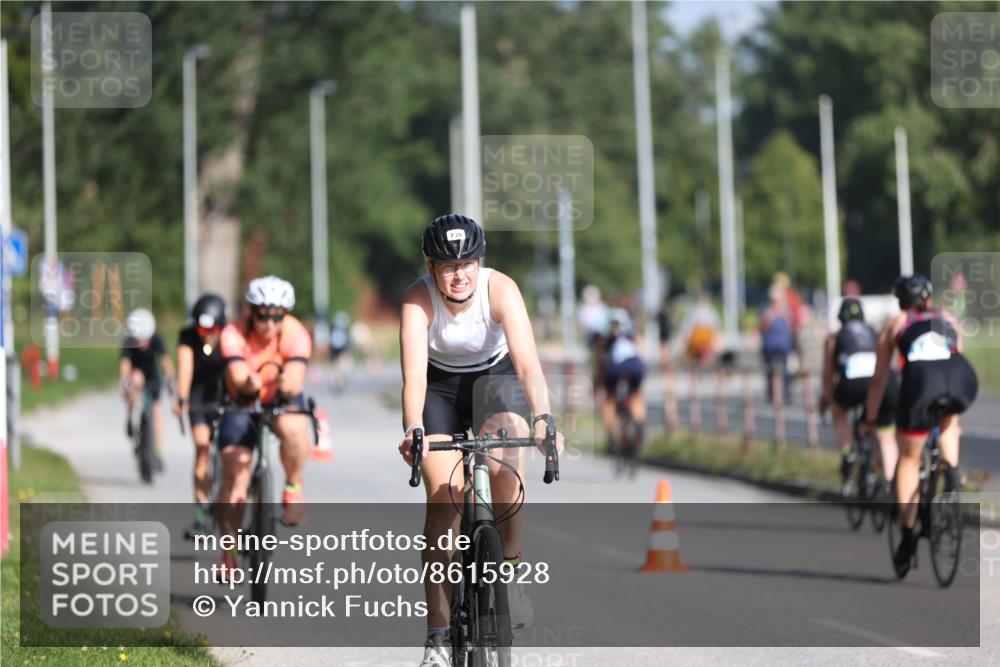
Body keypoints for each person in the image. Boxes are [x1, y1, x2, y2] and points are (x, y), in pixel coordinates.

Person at [397, 214, 564, 667]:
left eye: (468, 263)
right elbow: (413, 376)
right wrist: (414, 428)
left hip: (495, 378)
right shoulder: (417, 300)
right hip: (439, 389)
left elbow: (528, 365)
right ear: (430, 268)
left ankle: (509, 570)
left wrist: (545, 418)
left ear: (479, 262)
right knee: (444, 499)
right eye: (448, 266)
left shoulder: (500, 289)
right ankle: (437, 634)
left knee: (509, 460)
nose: (460, 274)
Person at [862, 274, 978, 576]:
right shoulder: (947, 317)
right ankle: (950, 479)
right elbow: (957, 355)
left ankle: (909, 531)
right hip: (959, 378)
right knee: (949, 423)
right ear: (928, 299)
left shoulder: (895, 324)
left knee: (910, 458)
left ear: (900, 300)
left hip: (919, 381)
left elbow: (879, 380)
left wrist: (871, 418)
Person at [217, 276, 314, 573]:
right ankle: (229, 550)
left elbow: (295, 378)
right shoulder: (233, 332)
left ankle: (293, 488)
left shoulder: (295, 333)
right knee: (237, 473)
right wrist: (250, 381)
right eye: (262, 314)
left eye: (276, 316)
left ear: (284, 314)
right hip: (241, 402)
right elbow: (237, 378)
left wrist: (285, 382)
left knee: (296, 429)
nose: (269, 323)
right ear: (251, 311)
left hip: (278, 398)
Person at [819, 297, 898, 484]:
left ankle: (847, 454)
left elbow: (828, 375)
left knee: (838, 413)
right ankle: (891, 484)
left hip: (852, 383)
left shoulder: (834, 337)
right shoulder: (875, 332)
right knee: (886, 434)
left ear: (840, 319)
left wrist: (826, 399)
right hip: (885, 383)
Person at [174, 293, 229, 538]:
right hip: (198, 396)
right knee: (202, 448)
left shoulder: (230, 336)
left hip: (225, 394)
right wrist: (182, 397)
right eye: (201, 328)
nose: (206, 333)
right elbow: (185, 369)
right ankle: (201, 516)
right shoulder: (188, 336)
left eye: (213, 328)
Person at [120, 308, 175, 471]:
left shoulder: (157, 340)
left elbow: (165, 361)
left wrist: (171, 379)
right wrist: (125, 381)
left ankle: (158, 451)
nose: (141, 343)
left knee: (157, 410)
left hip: (152, 375)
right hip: (136, 375)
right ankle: (130, 417)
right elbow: (125, 364)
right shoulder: (128, 343)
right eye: (138, 339)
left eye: (144, 339)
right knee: (135, 380)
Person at [597, 308, 646, 456]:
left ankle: (611, 436)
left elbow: (601, 366)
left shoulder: (607, 340)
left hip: (616, 369)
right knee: (636, 395)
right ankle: (639, 424)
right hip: (636, 366)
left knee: (609, 400)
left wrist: (597, 386)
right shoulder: (633, 337)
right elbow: (641, 355)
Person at [760, 285, 795, 404]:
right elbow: (763, 327)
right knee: (770, 369)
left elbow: (792, 326)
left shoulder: (785, 312)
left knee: (786, 369)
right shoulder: (767, 311)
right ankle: (771, 392)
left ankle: (786, 392)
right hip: (770, 344)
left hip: (783, 344)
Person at [679, 292, 719, 368]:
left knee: (701, 353)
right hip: (698, 338)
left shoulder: (708, 311)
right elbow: (688, 325)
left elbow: (714, 326)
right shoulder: (696, 311)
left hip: (703, 338)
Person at [329, 310, 352, 392]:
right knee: (342, 363)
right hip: (342, 349)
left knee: (335, 365)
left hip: (334, 349)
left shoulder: (334, 328)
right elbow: (348, 342)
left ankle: (336, 380)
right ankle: (341, 379)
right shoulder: (345, 329)